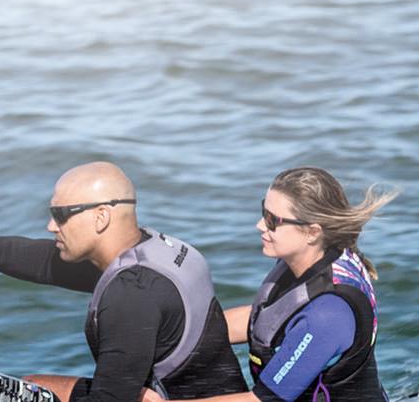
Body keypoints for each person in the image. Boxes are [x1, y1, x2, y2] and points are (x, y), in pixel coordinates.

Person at [0, 161, 248, 402]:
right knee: (31, 386)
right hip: (213, 388)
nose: (51, 226)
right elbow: (45, 262)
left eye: (61, 215)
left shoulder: (132, 297)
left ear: (101, 217)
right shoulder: (159, 251)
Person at [145, 167, 397, 402]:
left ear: (312, 232)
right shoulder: (313, 258)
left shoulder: (327, 314)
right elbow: (268, 320)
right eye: (263, 211)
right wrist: (171, 334)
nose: (260, 225)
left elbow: (261, 400)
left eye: (272, 220)